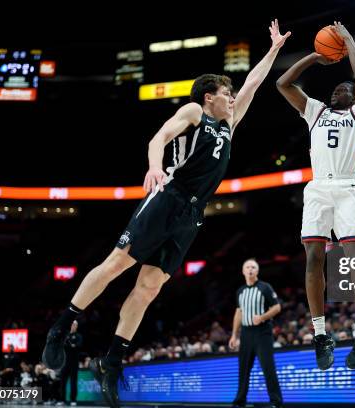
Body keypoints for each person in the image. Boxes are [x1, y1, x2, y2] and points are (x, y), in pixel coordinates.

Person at [41, 20, 291, 408]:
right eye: (227, 93)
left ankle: (113, 359)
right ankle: (61, 326)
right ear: (210, 97)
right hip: (168, 197)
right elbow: (159, 136)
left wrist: (273, 50)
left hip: (191, 216)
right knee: (114, 265)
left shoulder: (230, 123)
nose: (233, 97)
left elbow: (254, 84)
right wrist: (155, 167)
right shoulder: (195, 111)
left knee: (149, 288)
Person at [276, 21, 355, 370]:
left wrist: (347, 39)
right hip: (318, 188)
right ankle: (321, 335)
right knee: (314, 259)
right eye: (335, 89)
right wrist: (314, 57)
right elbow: (282, 83)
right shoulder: (316, 111)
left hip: (347, 187)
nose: (338, 91)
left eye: (342, 88)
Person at [229, 259, 282, 408]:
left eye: (253, 267)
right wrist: (234, 334)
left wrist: (262, 317)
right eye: (248, 267)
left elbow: (277, 307)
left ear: (257, 271)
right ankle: (240, 401)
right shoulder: (240, 291)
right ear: (243, 271)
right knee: (243, 368)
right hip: (246, 334)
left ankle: (275, 401)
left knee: (268, 367)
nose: (250, 269)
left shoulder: (265, 287)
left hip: (263, 332)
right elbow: (238, 313)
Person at [61, 321, 82, 406]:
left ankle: (73, 400)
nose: (73, 326)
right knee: (62, 382)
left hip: (74, 363)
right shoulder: (65, 336)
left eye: (74, 325)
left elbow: (78, 345)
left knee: (73, 382)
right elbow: (62, 345)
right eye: (72, 324)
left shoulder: (78, 336)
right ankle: (62, 400)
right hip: (65, 362)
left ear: (77, 326)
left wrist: (73, 345)